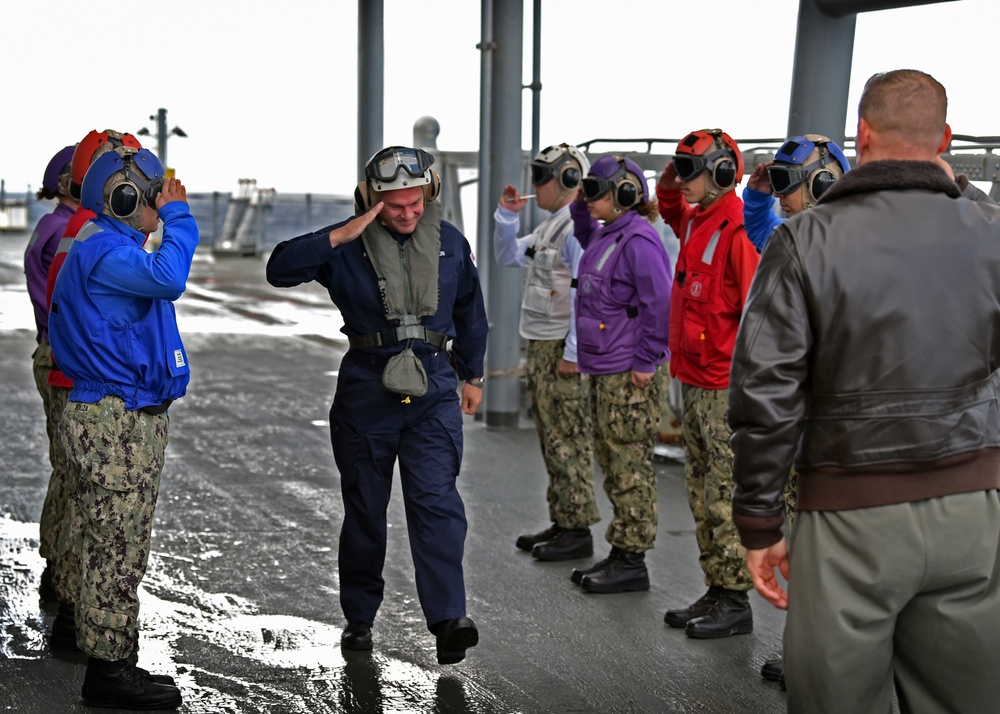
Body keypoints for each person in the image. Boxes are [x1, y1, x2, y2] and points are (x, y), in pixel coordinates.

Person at [729, 69, 1000, 713]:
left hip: (850, 512)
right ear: (947, 137)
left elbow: (767, 392)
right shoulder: (992, 231)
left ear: (863, 134)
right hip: (976, 508)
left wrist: (759, 520)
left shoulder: (804, 240)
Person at [265, 146, 488, 665]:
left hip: (432, 389)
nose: (408, 214)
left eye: (415, 203)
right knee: (365, 509)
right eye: (394, 206)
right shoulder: (345, 247)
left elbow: (470, 310)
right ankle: (360, 618)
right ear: (371, 198)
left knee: (437, 502)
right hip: (368, 390)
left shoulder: (450, 243)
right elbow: (280, 269)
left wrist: (472, 373)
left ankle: (449, 619)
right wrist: (342, 233)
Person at [49, 145, 194, 709]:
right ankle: (110, 672)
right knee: (117, 545)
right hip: (115, 419)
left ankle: (105, 652)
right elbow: (170, 276)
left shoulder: (106, 245)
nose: (161, 202)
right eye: (153, 193)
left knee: (105, 538)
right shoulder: (108, 254)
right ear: (124, 195)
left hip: (116, 413)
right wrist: (180, 219)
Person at [42, 129, 146, 650]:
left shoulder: (78, 230)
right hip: (91, 385)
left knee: (80, 498)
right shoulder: (93, 235)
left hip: (75, 375)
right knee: (98, 514)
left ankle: (70, 610)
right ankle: (80, 621)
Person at [656, 129, 760, 638]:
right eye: (681, 169)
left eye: (692, 170)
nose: (683, 180)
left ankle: (735, 598)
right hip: (693, 380)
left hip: (722, 385)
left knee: (723, 491)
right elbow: (670, 205)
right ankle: (718, 587)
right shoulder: (698, 220)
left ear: (722, 174)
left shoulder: (736, 230)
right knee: (699, 490)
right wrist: (672, 177)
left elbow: (758, 313)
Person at [565, 154, 671, 594]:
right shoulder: (609, 235)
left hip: (628, 372)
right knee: (612, 461)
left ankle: (632, 560)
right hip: (605, 367)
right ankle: (622, 551)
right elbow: (584, 231)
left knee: (629, 464)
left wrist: (647, 361)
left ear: (625, 194)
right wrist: (580, 198)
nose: (589, 201)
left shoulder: (640, 242)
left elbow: (660, 305)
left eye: (596, 192)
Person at [494, 143, 598, 562]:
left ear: (570, 180)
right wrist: (507, 217)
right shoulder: (549, 227)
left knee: (567, 438)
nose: (535, 185)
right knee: (551, 437)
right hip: (541, 343)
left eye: (542, 177)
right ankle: (563, 520)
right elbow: (506, 255)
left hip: (559, 346)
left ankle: (577, 529)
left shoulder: (576, 231)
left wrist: (573, 353)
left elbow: (584, 297)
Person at [23, 143, 77, 601]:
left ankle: (56, 566)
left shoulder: (52, 225)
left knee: (64, 467)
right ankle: (59, 572)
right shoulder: (63, 231)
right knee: (69, 470)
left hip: (51, 349)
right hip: (60, 355)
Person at [742, 134, 850, 252]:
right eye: (777, 181)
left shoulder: (850, 249)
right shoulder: (792, 237)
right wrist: (758, 197)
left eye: (786, 181)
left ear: (820, 184)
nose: (777, 194)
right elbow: (762, 230)